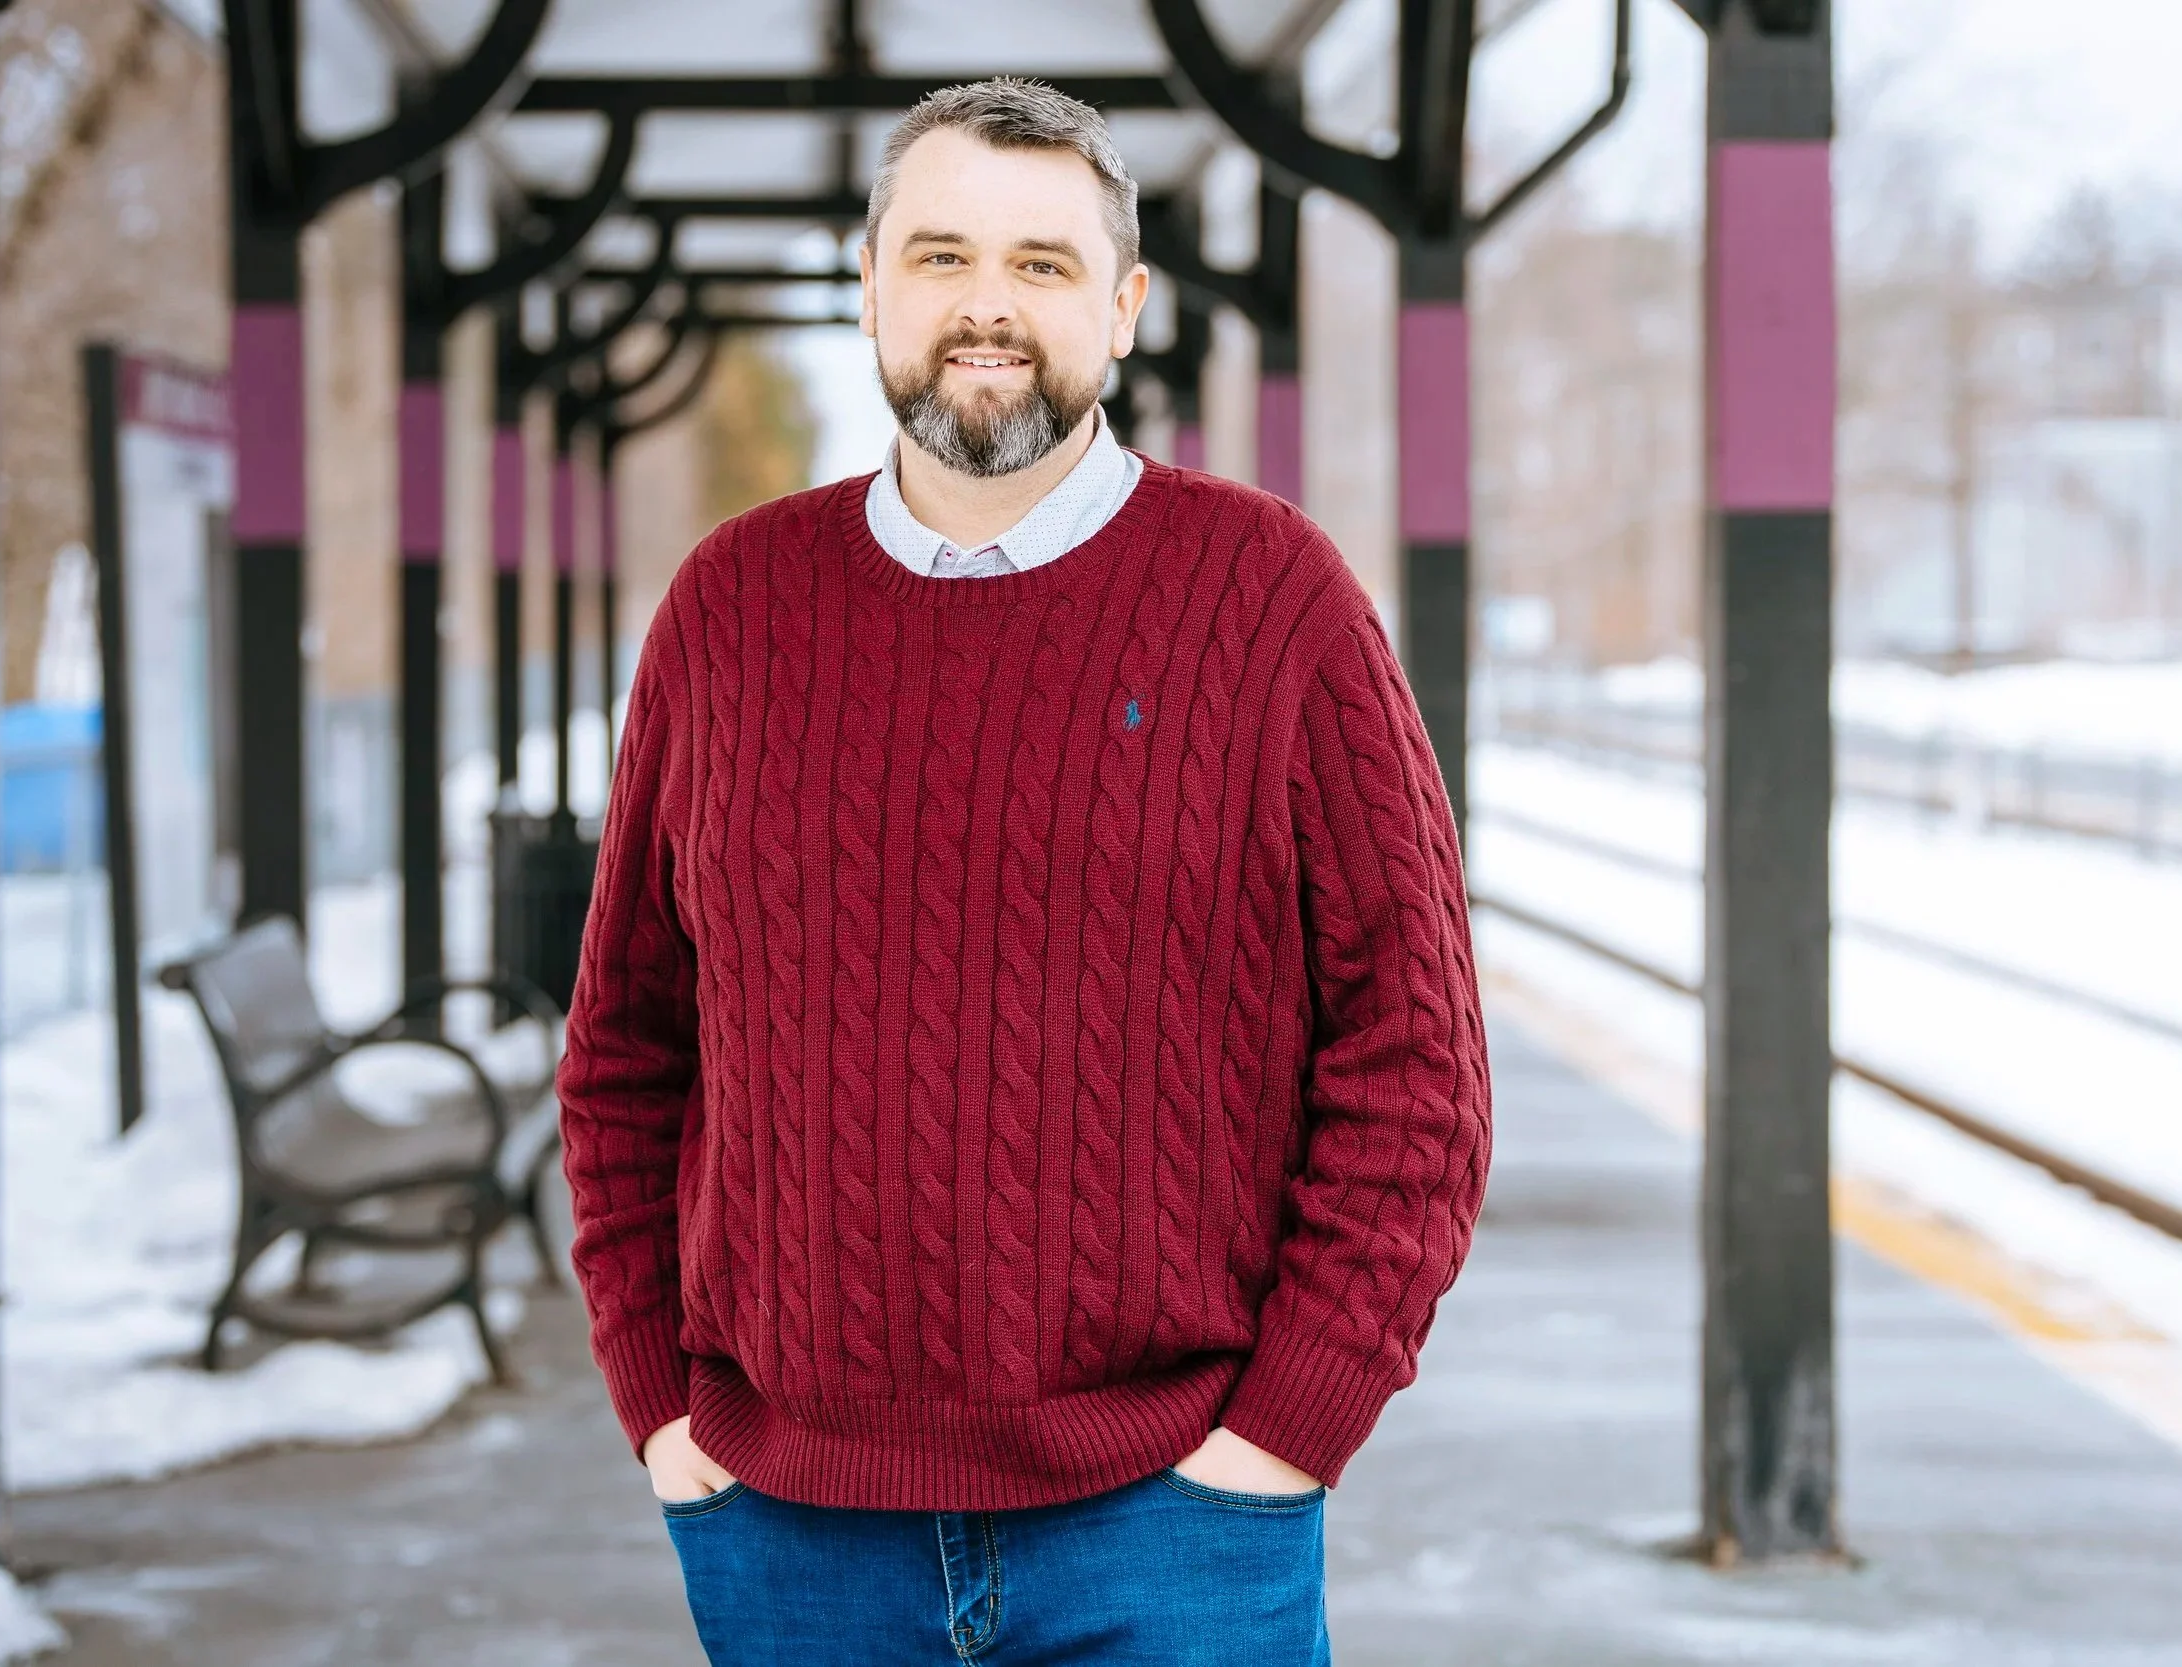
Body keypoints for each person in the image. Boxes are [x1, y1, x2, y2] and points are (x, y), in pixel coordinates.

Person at [557, 76, 1491, 1666]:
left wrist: (1283, 1436)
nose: (987, 305)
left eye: (1043, 266)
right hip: (789, 1532)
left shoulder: (1275, 602)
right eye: (940, 256)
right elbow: (628, 1048)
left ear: (1123, 308)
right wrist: (660, 1404)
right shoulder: (728, 609)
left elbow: (1417, 1064)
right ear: (870, 288)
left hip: (1174, 1525)